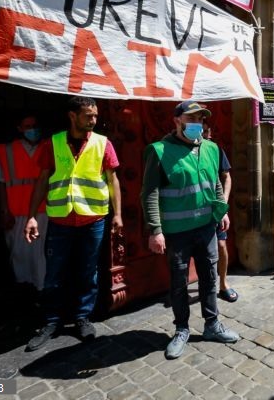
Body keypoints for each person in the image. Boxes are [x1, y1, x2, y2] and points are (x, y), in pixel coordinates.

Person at [141, 100, 239, 360]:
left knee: (209, 278)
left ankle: (212, 324)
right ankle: (181, 329)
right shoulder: (159, 151)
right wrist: (155, 230)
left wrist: (222, 212)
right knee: (179, 282)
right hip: (176, 231)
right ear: (177, 121)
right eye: (191, 118)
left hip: (206, 228)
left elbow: (215, 183)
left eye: (200, 119)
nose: (197, 123)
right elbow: (149, 193)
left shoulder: (211, 148)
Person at [23, 96, 123, 351]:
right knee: (55, 272)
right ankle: (52, 321)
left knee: (88, 271)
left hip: (93, 219)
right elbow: (43, 180)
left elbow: (113, 181)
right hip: (61, 219)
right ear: (72, 115)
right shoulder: (53, 143)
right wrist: (32, 215)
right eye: (88, 115)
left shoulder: (103, 144)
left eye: (96, 116)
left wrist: (118, 214)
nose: (93, 120)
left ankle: (82, 317)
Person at [0, 114, 47, 293]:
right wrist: (4, 211)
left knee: (38, 255)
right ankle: (23, 291)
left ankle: (40, 291)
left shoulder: (48, 148)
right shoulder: (5, 151)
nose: (33, 129)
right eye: (28, 126)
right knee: (18, 253)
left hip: (42, 210)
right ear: (19, 128)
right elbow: (0, 181)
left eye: (35, 125)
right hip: (15, 211)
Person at [202, 118, 238, 303]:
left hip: (215, 209)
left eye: (208, 131)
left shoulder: (215, 150)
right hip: (194, 210)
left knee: (221, 245)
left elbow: (226, 177)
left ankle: (223, 283)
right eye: (204, 131)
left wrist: (223, 203)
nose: (207, 135)